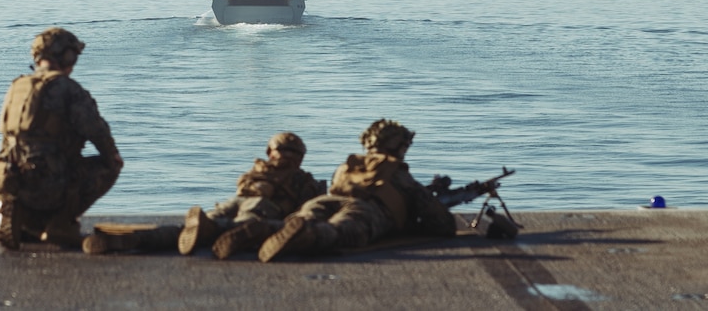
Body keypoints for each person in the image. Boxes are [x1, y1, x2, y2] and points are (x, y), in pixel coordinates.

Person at [0, 27, 123, 250]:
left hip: (12, 181)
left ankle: (13, 216)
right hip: (49, 185)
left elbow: (6, 140)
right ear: (67, 57)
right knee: (110, 166)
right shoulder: (68, 89)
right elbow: (98, 132)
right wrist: (112, 156)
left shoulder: (17, 87)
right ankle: (59, 223)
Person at [82, 132, 323, 259]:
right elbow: (307, 212)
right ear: (300, 157)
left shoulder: (257, 170)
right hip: (262, 209)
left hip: (234, 201)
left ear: (270, 152)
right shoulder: (304, 179)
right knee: (234, 229)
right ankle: (210, 230)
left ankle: (136, 240)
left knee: (187, 228)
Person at [258, 119, 456, 262]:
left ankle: (263, 230)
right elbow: (441, 224)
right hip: (363, 210)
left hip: (327, 200)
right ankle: (309, 235)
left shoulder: (348, 165)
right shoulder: (399, 174)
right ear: (400, 147)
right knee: (338, 231)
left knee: (302, 217)